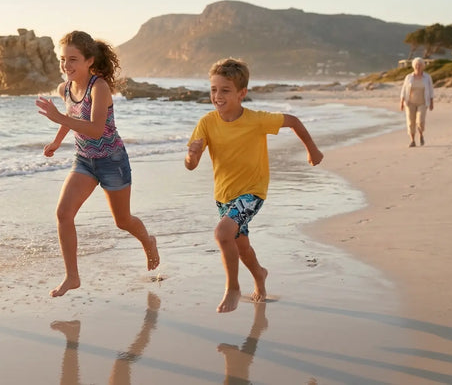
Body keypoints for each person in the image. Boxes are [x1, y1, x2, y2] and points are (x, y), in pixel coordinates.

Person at [184, 58, 323, 313]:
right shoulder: (206, 122)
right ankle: (259, 275)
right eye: (214, 89)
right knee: (240, 245)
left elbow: (292, 121)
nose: (217, 96)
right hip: (224, 195)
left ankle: (233, 288)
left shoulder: (257, 119)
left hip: (253, 191)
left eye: (225, 90)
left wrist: (312, 150)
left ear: (242, 93)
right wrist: (191, 155)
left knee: (222, 234)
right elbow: (191, 165)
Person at [35, 30, 160, 297]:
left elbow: (94, 128)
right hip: (84, 160)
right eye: (62, 59)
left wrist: (58, 118)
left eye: (73, 59)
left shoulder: (99, 87)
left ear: (89, 60)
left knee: (123, 221)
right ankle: (72, 276)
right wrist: (57, 141)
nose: (66, 66)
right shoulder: (65, 88)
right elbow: (72, 114)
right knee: (63, 214)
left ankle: (148, 241)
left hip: (112, 161)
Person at [399, 57, 435, 147]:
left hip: (423, 102)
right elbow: (404, 90)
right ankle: (412, 140)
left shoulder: (427, 77)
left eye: (420, 65)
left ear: (423, 66)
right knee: (411, 122)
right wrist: (401, 102)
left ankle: (421, 135)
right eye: (416, 65)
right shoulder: (408, 77)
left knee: (420, 122)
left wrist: (431, 102)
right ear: (413, 66)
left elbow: (431, 90)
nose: (418, 67)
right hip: (410, 102)